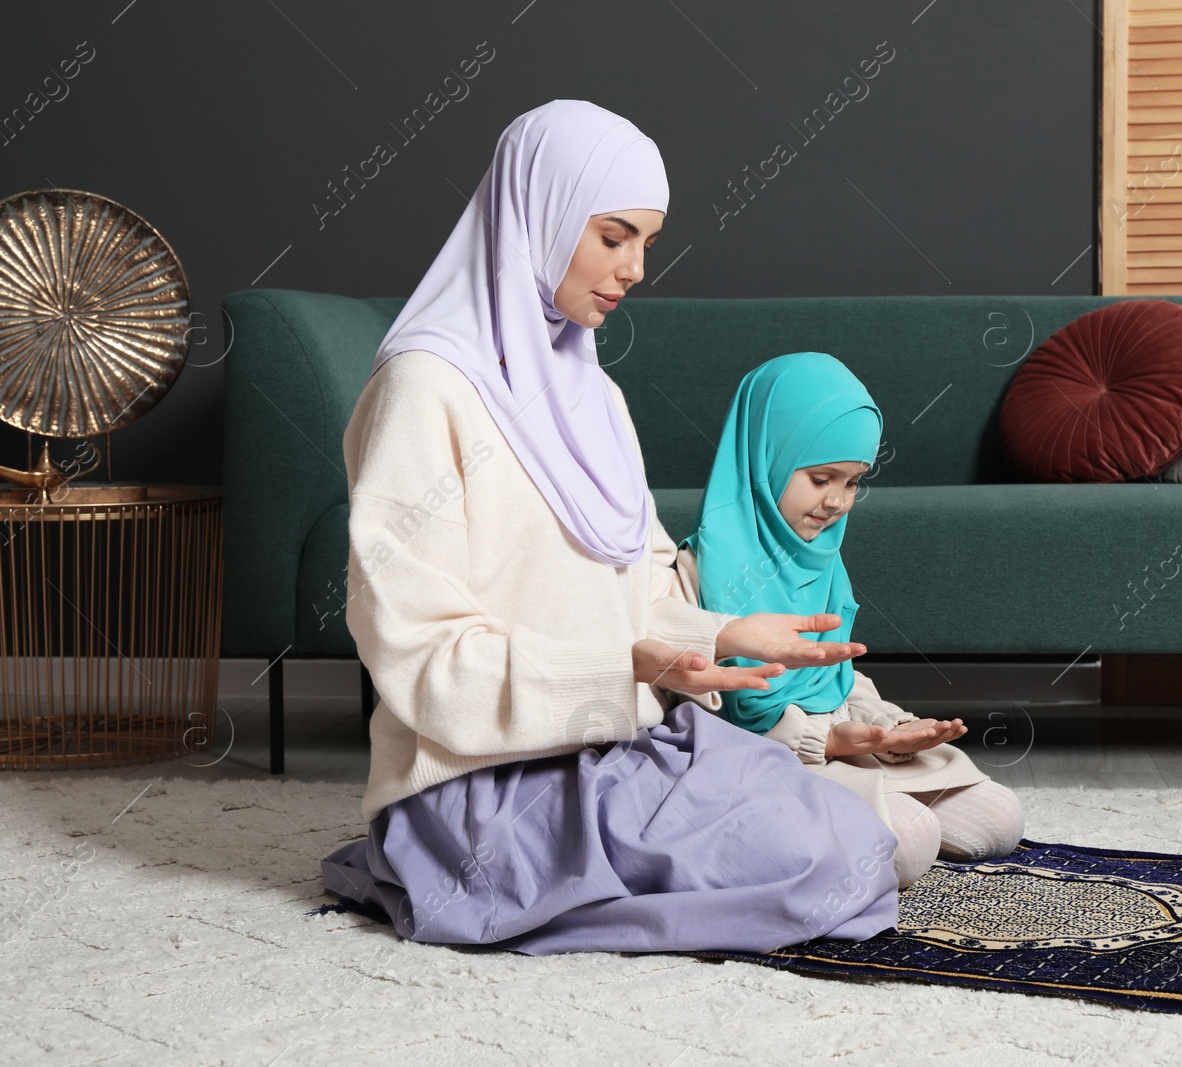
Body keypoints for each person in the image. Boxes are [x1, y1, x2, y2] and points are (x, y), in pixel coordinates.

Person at [320, 100, 900, 956]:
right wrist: (619, 665)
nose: (633, 269)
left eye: (647, 245)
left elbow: (635, 581)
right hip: (484, 782)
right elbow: (420, 658)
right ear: (538, 212)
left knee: (864, 842)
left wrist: (723, 631)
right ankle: (447, 873)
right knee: (816, 860)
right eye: (613, 236)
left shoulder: (595, 394)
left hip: (614, 738)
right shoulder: (423, 390)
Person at [669, 352, 1025, 888]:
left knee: (1000, 821)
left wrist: (888, 727)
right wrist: (826, 743)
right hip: (764, 761)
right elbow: (697, 718)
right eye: (820, 478)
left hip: (841, 739)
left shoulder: (819, 557)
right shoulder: (697, 571)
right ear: (765, 457)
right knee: (908, 844)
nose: (836, 502)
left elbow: (830, 675)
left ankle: (867, 797)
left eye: (854, 483)